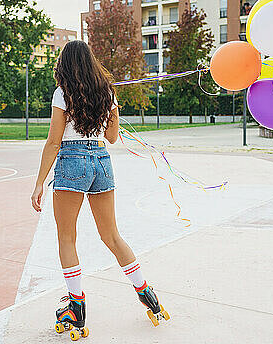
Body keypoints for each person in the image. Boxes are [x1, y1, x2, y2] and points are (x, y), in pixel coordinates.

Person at [31, 40, 169, 339]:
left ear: (65, 65)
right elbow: (112, 137)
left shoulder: (62, 94)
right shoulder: (107, 92)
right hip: (102, 162)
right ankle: (147, 294)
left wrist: (39, 182)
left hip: (72, 161)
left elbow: (54, 141)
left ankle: (76, 307)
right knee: (112, 236)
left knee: (67, 237)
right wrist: (111, 109)